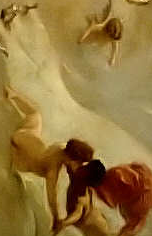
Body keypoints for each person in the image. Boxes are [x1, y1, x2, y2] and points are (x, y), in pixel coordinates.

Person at [5, 86, 95, 227]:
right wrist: (56, 217)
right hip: (20, 149)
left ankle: (13, 95)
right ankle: (12, 95)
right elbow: (51, 195)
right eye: (79, 162)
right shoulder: (52, 168)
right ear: (71, 159)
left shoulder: (63, 147)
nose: (79, 166)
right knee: (34, 117)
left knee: (36, 115)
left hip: (29, 136)